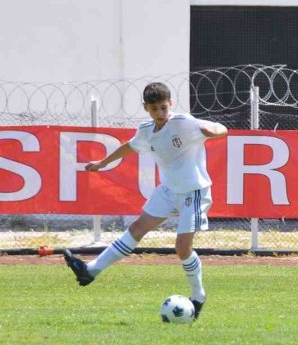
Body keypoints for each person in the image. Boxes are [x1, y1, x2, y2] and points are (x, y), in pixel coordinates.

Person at [63, 82, 228, 320]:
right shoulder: (146, 131)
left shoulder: (183, 122)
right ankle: (90, 271)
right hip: (168, 190)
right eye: (154, 109)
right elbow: (130, 146)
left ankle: (198, 295)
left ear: (170, 104)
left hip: (194, 191)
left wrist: (215, 131)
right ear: (146, 108)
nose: (160, 114)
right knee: (137, 228)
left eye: (163, 107)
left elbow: (219, 127)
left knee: (182, 248)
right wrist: (103, 163)